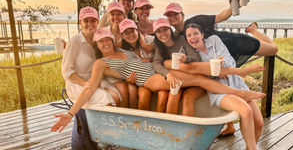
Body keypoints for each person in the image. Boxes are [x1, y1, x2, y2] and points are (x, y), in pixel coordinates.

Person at [51, 28, 265, 133]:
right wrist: (71, 113)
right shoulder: (101, 63)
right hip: (151, 79)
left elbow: (140, 58)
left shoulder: (121, 51)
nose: (105, 43)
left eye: (107, 39)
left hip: (154, 71)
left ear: (111, 40)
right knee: (198, 79)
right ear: (97, 45)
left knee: (198, 77)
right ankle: (241, 84)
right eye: (101, 41)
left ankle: (239, 78)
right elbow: (90, 86)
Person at [185, 23, 268, 150]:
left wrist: (224, 65)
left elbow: (230, 61)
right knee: (245, 111)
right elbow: (204, 74)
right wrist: (217, 71)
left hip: (237, 83)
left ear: (202, 34)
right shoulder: (193, 55)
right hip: (219, 91)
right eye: (188, 35)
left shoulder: (215, 40)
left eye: (195, 33)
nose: (192, 38)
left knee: (259, 123)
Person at [153, 18, 264, 117]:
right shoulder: (159, 47)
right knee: (172, 88)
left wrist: (185, 59)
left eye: (165, 29)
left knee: (188, 80)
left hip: (193, 77)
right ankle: (172, 131)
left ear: (170, 30)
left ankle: (240, 72)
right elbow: (156, 63)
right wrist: (168, 73)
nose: (163, 33)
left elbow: (194, 57)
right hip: (182, 78)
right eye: (159, 31)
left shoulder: (182, 40)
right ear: (155, 34)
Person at [164, 2, 278, 67]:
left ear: (182, 15)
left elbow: (221, 17)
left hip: (233, 43)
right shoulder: (175, 37)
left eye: (175, 13)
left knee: (273, 49)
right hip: (220, 59)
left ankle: (252, 30)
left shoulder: (196, 20)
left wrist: (234, 6)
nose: (172, 16)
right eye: (169, 15)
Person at [61, 6, 122, 106]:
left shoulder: (99, 40)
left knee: (117, 95)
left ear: (98, 22)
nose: (89, 24)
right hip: (78, 84)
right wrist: (84, 83)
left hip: (96, 80)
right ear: (80, 23)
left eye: (93, 21)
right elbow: (67, 72)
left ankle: (117, 120)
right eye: (86, 21)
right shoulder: (74, 42)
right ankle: (99, 121)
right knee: (106, 98)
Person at [119, 18, 170, 112]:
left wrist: (150, 58)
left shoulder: (149, 40)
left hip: (159, 76)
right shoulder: (123, 53)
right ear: (122, 35)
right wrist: (130, 80)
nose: (130, 34)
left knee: (163, 96)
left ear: (137, 31)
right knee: (142, 100)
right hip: (143, 81)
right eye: (126, 32)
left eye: (132, 31)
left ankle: (158, 125)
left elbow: (164, 52)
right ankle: (146, 125)